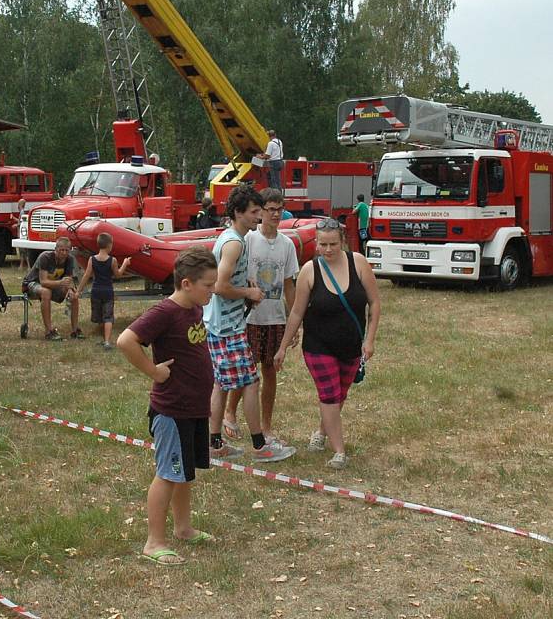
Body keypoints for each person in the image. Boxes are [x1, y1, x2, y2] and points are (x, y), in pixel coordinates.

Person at [117, 247, 219, 566]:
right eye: (208, 285)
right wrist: (153, 371)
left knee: (184, 473)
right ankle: (153, 542)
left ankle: (183, 528)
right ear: (186, 283)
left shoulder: (194, 309)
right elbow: (126, 340)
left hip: (193, 408)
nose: (213, 291)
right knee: (168, 474)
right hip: (172, 410)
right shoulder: (166, 311)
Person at [275, 218, 381, 469]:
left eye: (333, 243)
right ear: (316, 244)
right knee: (329, 395)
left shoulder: (359, 263)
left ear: (342, 241)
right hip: (318, 344)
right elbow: (297, 312)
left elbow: (374, 303)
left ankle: (321, 433)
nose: (328, 249)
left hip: (351, 344)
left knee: (340, 393)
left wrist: (370, 340)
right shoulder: (309, 271)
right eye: (323, 244)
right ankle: (339, 452)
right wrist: (283, 346)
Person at [204, 184, 296, 463]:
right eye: (255, 211)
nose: (259, 216)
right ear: (237, 212)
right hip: (228, 328)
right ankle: (260, 446)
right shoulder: (235, 242)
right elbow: (218, 286)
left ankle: (214, 443)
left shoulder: (231, 238)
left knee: (221, 384)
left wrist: (245, 283)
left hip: (218, 324)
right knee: (252, 382)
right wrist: (249, 293)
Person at [22, 236, 84, 341]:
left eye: (67, 250)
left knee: (73, 294)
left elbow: (68, 280)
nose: (64, 253)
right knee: (46, 292)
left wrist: (70, 290)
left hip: (53, 285)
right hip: (32, 284)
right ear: (56, 249)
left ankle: (75, 330)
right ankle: (49, 331)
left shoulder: (69, 259)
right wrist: (61, 283)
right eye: (61, 250)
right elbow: (43, 281)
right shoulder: (45, 257)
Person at [76, 232, 131, 350]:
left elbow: (86, 275)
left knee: (100, 316)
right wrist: (125, 264)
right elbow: (118, 275)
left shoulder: (92, 259)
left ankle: (103, 339)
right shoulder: (113, 260)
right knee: (108, 317)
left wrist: (78, 291)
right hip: (108, 291)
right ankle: (107, 341)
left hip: (96, 291)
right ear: (109, 245)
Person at [14, 198, 29, 270]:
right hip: (21, 233)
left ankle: (26, 266)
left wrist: (16, 225)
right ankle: (22, 265)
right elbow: (20, 220)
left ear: (21, 204)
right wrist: (14, 218)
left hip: (21, 234)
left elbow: (22, 222)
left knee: (23, 250)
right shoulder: (22, 212)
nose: (17, 205)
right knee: (22, 250)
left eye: (18, 203)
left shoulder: (22, 212)